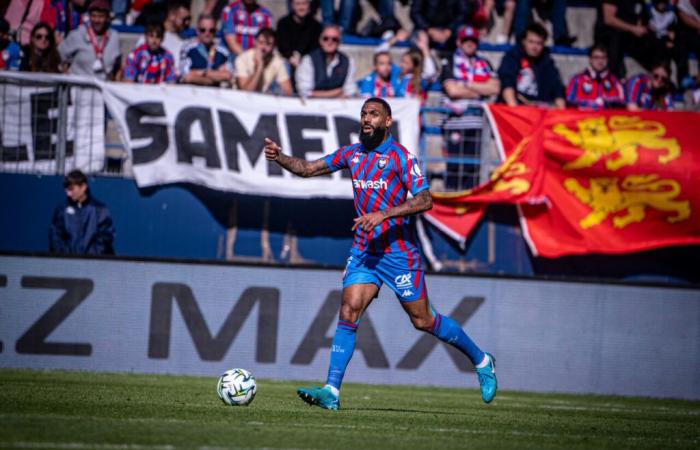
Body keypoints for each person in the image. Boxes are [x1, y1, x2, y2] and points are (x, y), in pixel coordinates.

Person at [263, 98, 497, 410]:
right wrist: (280, 158)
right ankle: (331, 391)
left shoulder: (401, 157)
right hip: (365, 251)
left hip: (398, 252)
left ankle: (482, 361)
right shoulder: (353, 153)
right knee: (348, 311)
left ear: (388, 121)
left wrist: (384, 214)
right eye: (363, 114)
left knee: (423, 320)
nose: (366, 119)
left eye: (374, 114)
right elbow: (308, 169)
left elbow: (425, 200)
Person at [497, 22, 565, 108]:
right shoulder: (512, 57)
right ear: (523, 41)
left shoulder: (547, 61)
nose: (534, 47)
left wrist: (561, 111)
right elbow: (506, 82)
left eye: (539, 43)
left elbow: (557, 87)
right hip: (516, 107)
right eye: (531, 42)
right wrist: (513, 108)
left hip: (539, 109)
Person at [49, 169, 115, 255]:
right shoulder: (61, 210)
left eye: (71, 189)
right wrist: (65, 256)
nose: (68, 193)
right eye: (67, 190)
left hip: (93, 265)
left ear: (83, 187)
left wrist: (90, 257)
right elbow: (55, 236)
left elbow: (105, 237)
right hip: (66, 264)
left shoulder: (99, 210)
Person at [594, 0, 660, 79]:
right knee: (614, 43)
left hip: (629, 34)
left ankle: (659, 78)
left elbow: (639, 16)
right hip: (610, 34)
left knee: (658, 45)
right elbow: (608, 20)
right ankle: (611, 81)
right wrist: (633, 29)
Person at [58, 0, 121, 80]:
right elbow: (58, 57)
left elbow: (118, 66)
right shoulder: (77, 35)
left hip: (103, 88)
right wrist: (66, 76)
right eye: (93, 16)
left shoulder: (114, 37)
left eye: (101, 16)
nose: (96, 20)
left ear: (107, 18)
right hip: (80, 88)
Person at [295, 24, 357, 98]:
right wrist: (337, 92)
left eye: (334, 39)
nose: (329, 42)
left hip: (339, 107)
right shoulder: (308, 60)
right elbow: (304, 91)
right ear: (320, 40)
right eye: (326, 38)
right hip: (312, 105)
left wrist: (317, 93)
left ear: (340, 42)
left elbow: (350, 91)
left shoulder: (348, 61)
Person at [442, 26, 500, 100]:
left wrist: (465, 84)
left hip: (480, 107)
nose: (469, 44)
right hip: (454, 108)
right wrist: (481, 93)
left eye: (473, 41)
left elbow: (495, 89)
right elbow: (453, 91)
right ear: (458, 42)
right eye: (465, 40)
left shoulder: (485, 62)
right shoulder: (449, 61)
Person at [276, 0, 322, 88]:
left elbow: (315, 48)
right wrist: (291, 57)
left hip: (306, 60)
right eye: (298, 4)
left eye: (304, 4)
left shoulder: (316, 26)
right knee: (284, 66)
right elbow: (282, 45)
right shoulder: (283, 23)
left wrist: (301, 58)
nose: (301, 7)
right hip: (287, 59)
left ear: (309, 5)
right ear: (292, 5)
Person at [180, 14, 234, 87]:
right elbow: (186, 76)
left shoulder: (223, 51)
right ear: (197, 31)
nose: (207, 33)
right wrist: (212, 79)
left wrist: (201, 73)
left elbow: (228, 75)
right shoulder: (188, 48)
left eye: (211, 30)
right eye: (203, 30)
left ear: (216, 31)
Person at [565, 44, 625, 110]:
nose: (600, 61)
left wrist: (606, 103)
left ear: (607, 59)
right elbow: (569, 101)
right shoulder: (577, 80)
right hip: (584, 118)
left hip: (608, 118)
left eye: (603, 57)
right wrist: (590, 104)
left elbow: (622, 102)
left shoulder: (615, 81)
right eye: (596, 57)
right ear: (590, 59)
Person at [135, 1, 190, 72]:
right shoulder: (148, 37)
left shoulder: (185, 40)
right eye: (184, 19)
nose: (187, 23)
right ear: (171, 15)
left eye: (189, 19)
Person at [235, 28, 293, 95]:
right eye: (261, 42)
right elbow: (246, 93)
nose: (263, 48)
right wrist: (259, 67)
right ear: (255, 42)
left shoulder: (277, 61)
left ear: (273, 46)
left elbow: (288, 92)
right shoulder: (242, 59)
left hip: (262, 99)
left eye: (268, 44)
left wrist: (274, 93)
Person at [676, 0, 700, 89]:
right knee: (680, 42)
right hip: (686, 34)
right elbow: (683, 15)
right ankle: (683, 80)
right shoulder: (683, 2)